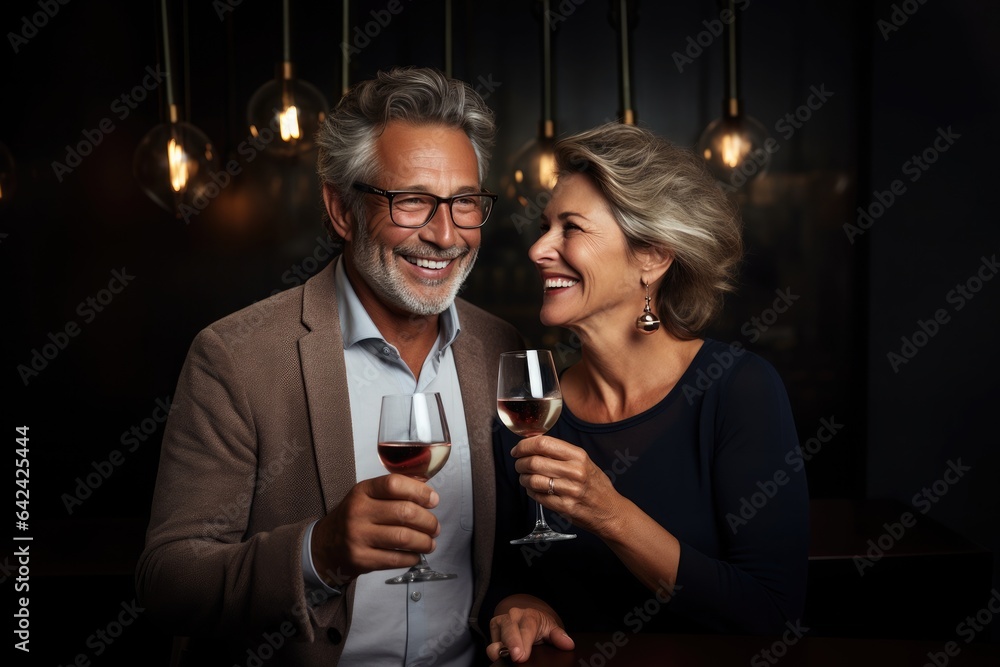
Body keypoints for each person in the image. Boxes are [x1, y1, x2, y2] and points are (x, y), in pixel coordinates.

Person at [136, 67, 523, 666]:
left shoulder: (502, 349)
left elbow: (517, 554)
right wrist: (319, 553)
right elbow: (168, 583)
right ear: (342, 210)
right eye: (413, 201)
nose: (446, 235)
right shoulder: (234, 357)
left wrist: (525, 598)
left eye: (464, 202)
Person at [483, 123, 809, 663]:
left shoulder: (738, 391)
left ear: (652, 257)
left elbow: (773, 615)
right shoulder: (528, 412)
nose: (538, 248)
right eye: (545, 227)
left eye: (571, 229)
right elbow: (504, 577)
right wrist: (522, 606)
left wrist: (610, 513)